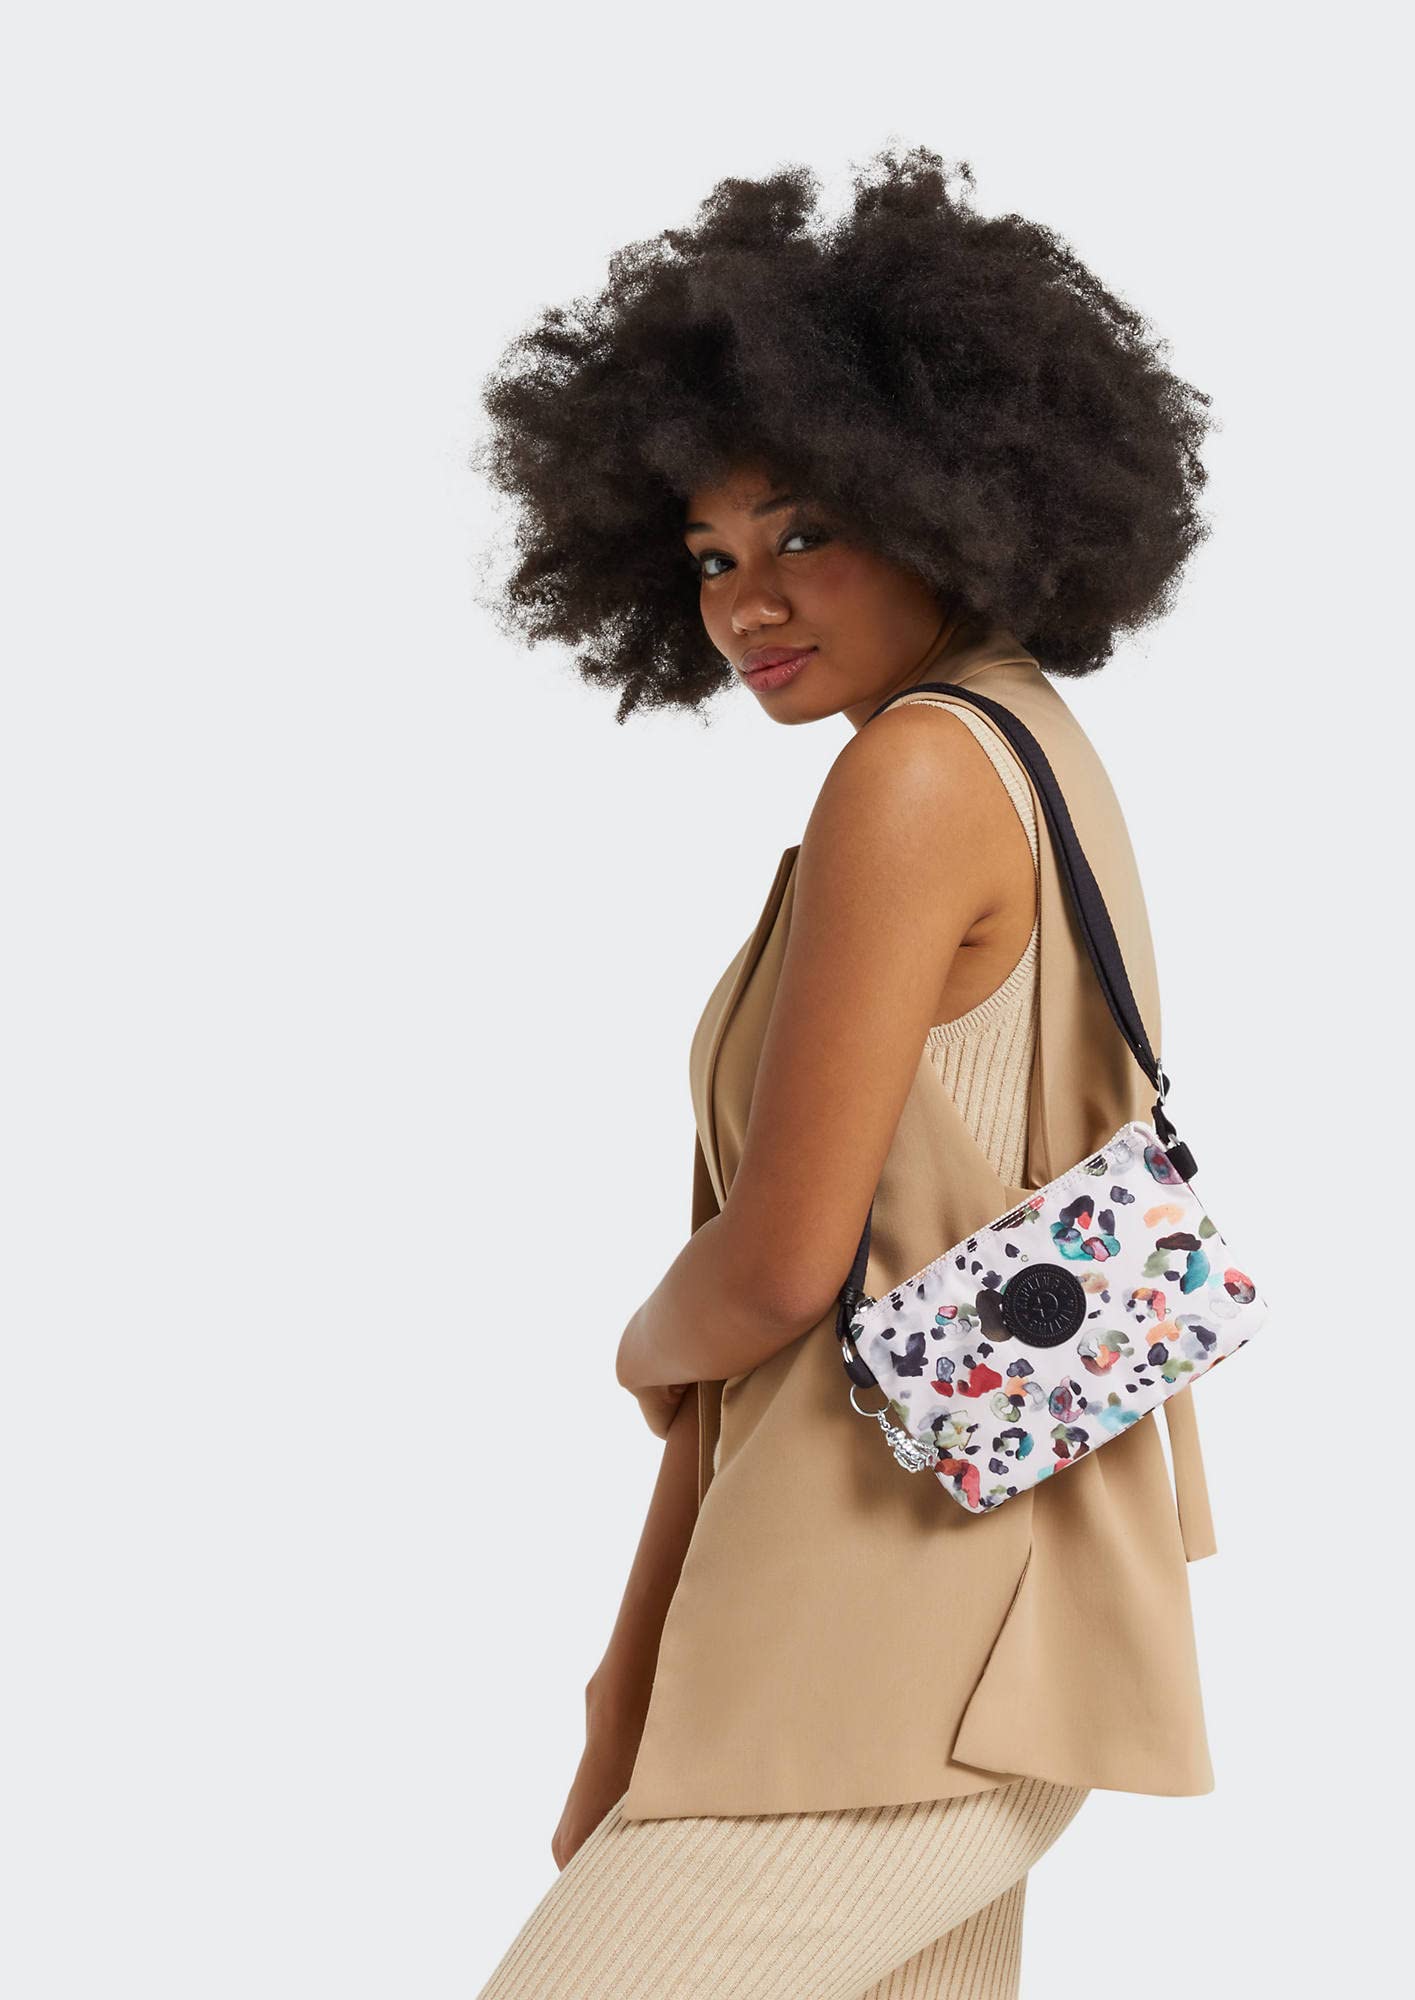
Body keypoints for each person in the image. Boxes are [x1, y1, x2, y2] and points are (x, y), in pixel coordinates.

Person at [469, 143, 1223, 2000]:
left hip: (893, 1650)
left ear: (941, 494)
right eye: (711, 558)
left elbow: (776, 1273)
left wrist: (636, 1343)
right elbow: (820, 1330)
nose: (748, 601)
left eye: (802, 531)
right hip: (887, 1616)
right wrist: (634, 1673)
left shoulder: (917, 774)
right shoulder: (1023, 750)